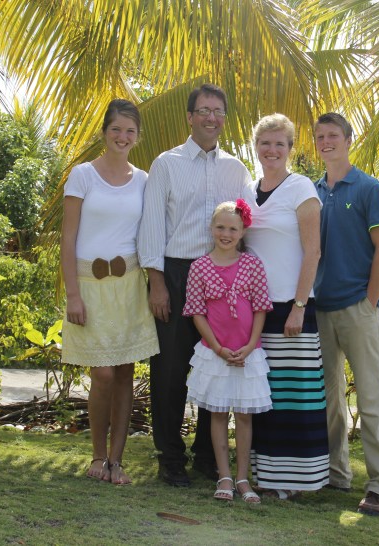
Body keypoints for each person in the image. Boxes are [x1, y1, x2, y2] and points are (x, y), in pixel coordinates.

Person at [138, 83, 252, 487]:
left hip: (221, 277)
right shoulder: (166, 164)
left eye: (218, 111)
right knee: (169, 369)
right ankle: (170, 457)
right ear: (190, 117)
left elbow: (250, 225)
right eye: (203, 110)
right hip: (175, 274)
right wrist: (157, 282)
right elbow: (152, 225)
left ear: (224, 118)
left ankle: (207, 455)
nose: (211, 118)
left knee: (214, 367)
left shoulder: (236, 169)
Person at [61, 99, 159, 485]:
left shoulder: (145, 180)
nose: (122, 136)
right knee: (101, 373)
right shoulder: (82, 175)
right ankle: (97, 455)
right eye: (116, 129)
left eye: (130, 131)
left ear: (137, 136)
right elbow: (68, 239)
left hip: (130, 284)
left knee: (123, 373)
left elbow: (150, 233)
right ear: (104, 132)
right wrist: (73, 294)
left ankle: (116, 461)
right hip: (89, 285)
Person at [313, 112, 379, 515]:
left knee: (372, 399)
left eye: (333, 135)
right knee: (328, 399)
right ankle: (336, 473)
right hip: (319, 310)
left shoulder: (368, 187)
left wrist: (369, 302)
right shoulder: (311, 191)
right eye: (319, 136)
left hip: (358, 310)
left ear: (349, 140)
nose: (326, 142)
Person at [245, 113, 330, 499]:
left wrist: (299, 306)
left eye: (280, 143)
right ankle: (267, 478)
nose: (272, 150)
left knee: (297, 396)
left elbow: (313, 251)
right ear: (256, 147)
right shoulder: (247, 191)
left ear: (290, 149)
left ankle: (300, 482)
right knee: (265, 395)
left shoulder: (301, 188)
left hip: (292, 308)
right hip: (256, 311)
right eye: (265, 143)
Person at [182, 200, 273, 503]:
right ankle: (224, 476)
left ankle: (243, 478)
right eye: (220, 227)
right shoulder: (200, 267)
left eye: (233, 228)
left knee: (244, 416)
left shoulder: (252, 265)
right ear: (211, 228)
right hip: (215, 353)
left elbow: (261, 308)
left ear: (242, 231)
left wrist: (250, 346)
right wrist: (219, 348)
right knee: (218, 414)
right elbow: (196, 312)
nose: (226, 233)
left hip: (248, 353)